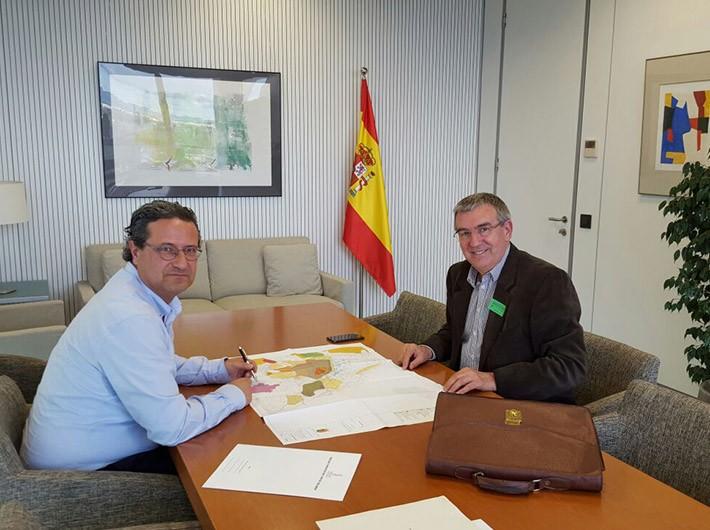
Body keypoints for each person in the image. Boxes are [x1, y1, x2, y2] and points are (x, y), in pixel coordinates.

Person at [22, 200, 254, 472]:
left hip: (82, 448)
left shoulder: (134, 293)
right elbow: (173, 428)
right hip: (82, 475)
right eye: (167, 250)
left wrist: (218, 369)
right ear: (135, 251)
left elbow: (155, 362)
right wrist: (234, 395)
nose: (182, 263)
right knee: (237, 456)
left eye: (190, 251)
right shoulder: (130, 317)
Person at [400, 193, 586, 403]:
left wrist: (492, 379)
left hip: (517, 405)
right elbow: (456, 333)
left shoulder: (546, 282)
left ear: (507, 230)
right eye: (464, 233)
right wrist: (426, 350)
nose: (474, 242)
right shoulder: (458, 274)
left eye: (484, 229)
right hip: (465, 396)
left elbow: (569, 366)